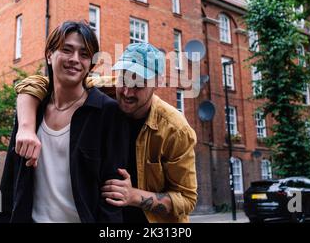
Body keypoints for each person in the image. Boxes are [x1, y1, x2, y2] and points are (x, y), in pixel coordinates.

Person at [14, 43, 198, 223]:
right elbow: (36, 83)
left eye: (139, 84)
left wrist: (134, 196)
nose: (127, 92)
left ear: (157, 82)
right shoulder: (101, 90)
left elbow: (187, 199)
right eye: (123, 80)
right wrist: (26, 127)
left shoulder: (176, 130)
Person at [0, 21, 129, 223]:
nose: (75, 59)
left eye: (84, 54)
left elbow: (112, 194)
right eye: (67, 50)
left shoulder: (107, 112)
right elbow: (10, 179)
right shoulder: (31, 110)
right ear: (49, 54)